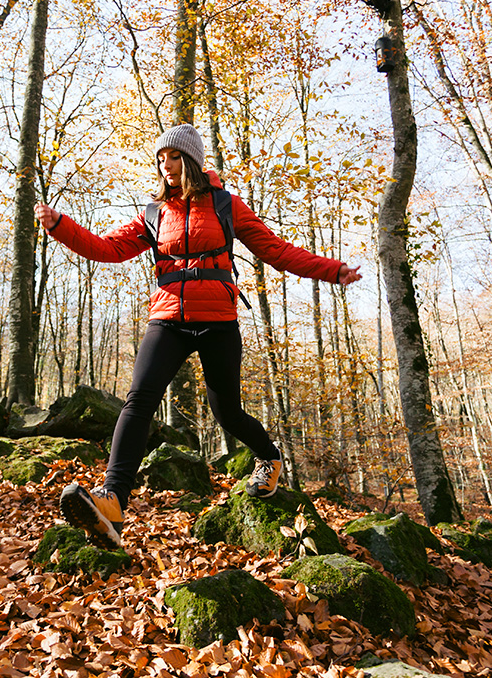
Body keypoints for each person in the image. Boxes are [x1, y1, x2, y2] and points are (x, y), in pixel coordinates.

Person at [34, 123, 362, 549]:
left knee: (227, 412)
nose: (164, 165)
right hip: (168, 317)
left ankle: (269, 458)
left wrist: (331, 270)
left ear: (190, 160)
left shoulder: (226, 205)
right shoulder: (154, 214)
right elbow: (108, 249)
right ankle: (113, 500)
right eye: (159, 158)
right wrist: (61, 225)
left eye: (172, 157)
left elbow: (275, 250)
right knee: (139, 400)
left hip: (217, 320)